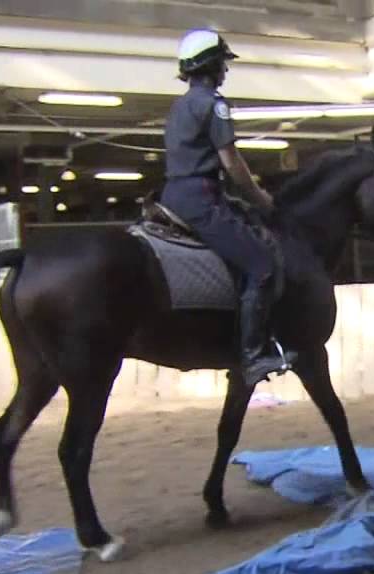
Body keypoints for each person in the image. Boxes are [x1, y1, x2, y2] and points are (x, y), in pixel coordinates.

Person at [159, 28, 289, 386]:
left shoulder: (178, 106)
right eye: (222, 64)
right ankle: (252, 356)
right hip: (200, 200)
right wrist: (260, 197)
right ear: (211, 66)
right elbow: (231, 163)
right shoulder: (214, 104)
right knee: (262, 265)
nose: (226, 71)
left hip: (173, 194)